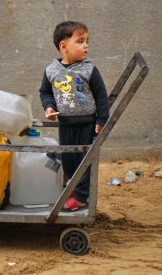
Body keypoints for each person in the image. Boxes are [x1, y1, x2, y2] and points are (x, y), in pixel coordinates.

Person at [39, 21, 109, 211]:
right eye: (80, 41)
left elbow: (101, 96)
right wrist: (49, 107)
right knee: (69, 161)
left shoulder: (89, 69)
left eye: (87, 41)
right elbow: (45, 92)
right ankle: (74, 189)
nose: (86, 45)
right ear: (63, 46)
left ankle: (81, 197)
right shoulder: (51, 71)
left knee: (84, 162)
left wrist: (102, 120)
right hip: (65, 125)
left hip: (86, 124)